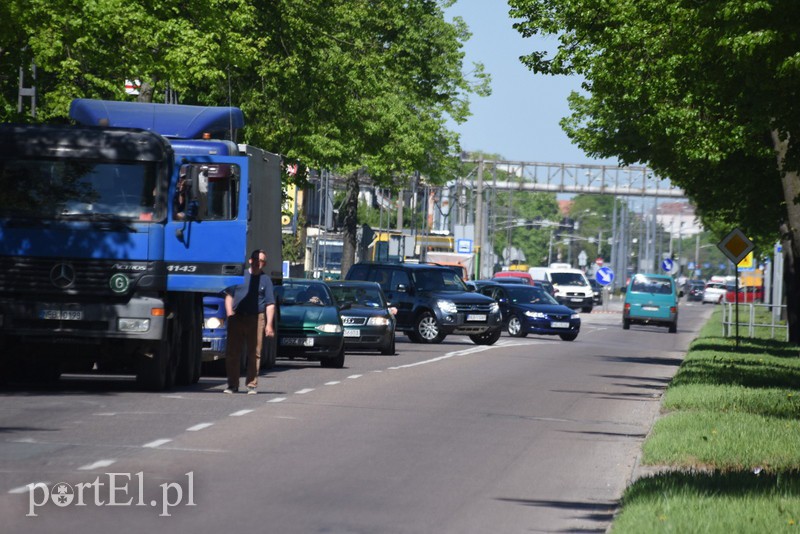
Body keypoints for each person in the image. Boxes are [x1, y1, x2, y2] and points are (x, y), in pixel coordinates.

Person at [223, 249, 275, 394]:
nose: (259, 263)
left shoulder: (266, 280)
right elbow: (229, 296)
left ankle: (251, 384)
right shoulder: (240, 276)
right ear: (251, 261)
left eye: (262, 261)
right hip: (237, 317)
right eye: (257, 260)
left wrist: (269, 324)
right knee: (233, 352)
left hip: (256, 318)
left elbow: (270, 304)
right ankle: (232, 385)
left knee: (254, 352)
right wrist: (229, 314)